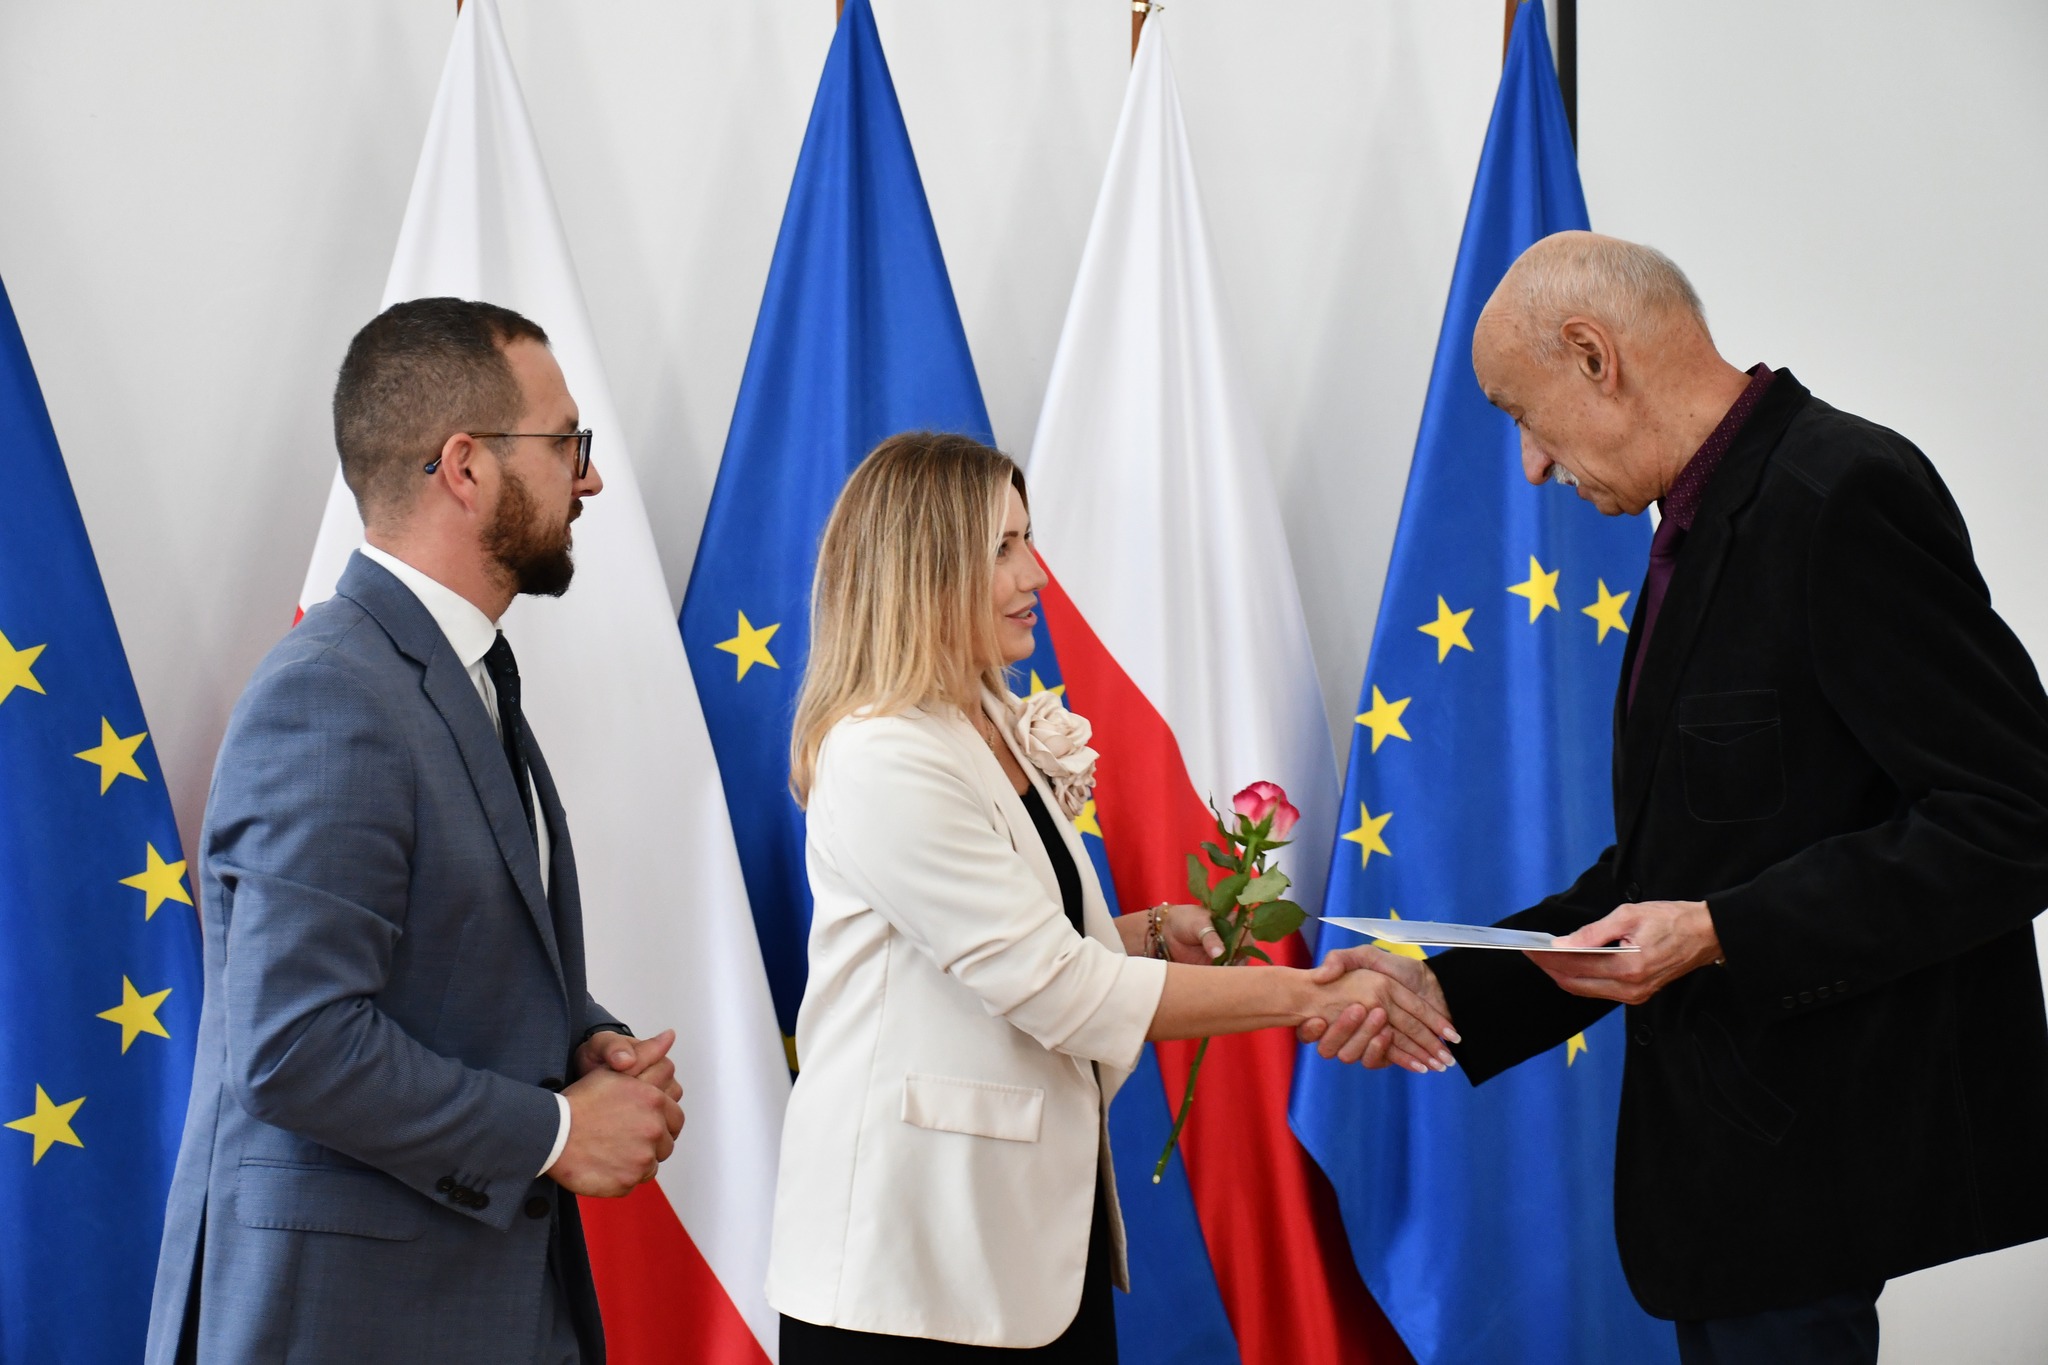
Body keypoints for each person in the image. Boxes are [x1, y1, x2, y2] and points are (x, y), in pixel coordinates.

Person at [1317, 231, 2048, 1365]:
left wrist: (1721, 933)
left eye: (1523, 415)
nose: (1530, 465)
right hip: (1728, 1195)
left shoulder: (1839, 494)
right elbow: (1670, 873)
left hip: (1809, 1176)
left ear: (1592, 355)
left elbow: (2013, 818)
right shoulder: (1692, 529)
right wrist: (1445, 987)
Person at [766, 432, 1456, 1360]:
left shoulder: (990, 719)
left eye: (1028, 539)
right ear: (923, 568)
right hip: (912, 1268)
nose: (1035, 574)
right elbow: (1055, 987)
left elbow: (1014, 940)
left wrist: (1151, 932)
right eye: (1003, 547)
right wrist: (1310, 995)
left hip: (1028, 1246)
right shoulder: (883, 752)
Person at [145, 298, 684, 1365]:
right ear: (466, 467)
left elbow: (443, 960)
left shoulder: (460, 673)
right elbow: (294, 1044)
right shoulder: (332, 694)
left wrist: (581, 1040)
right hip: (350, 1321)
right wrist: (558, 1131)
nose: (588, 480)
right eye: (565, 442)